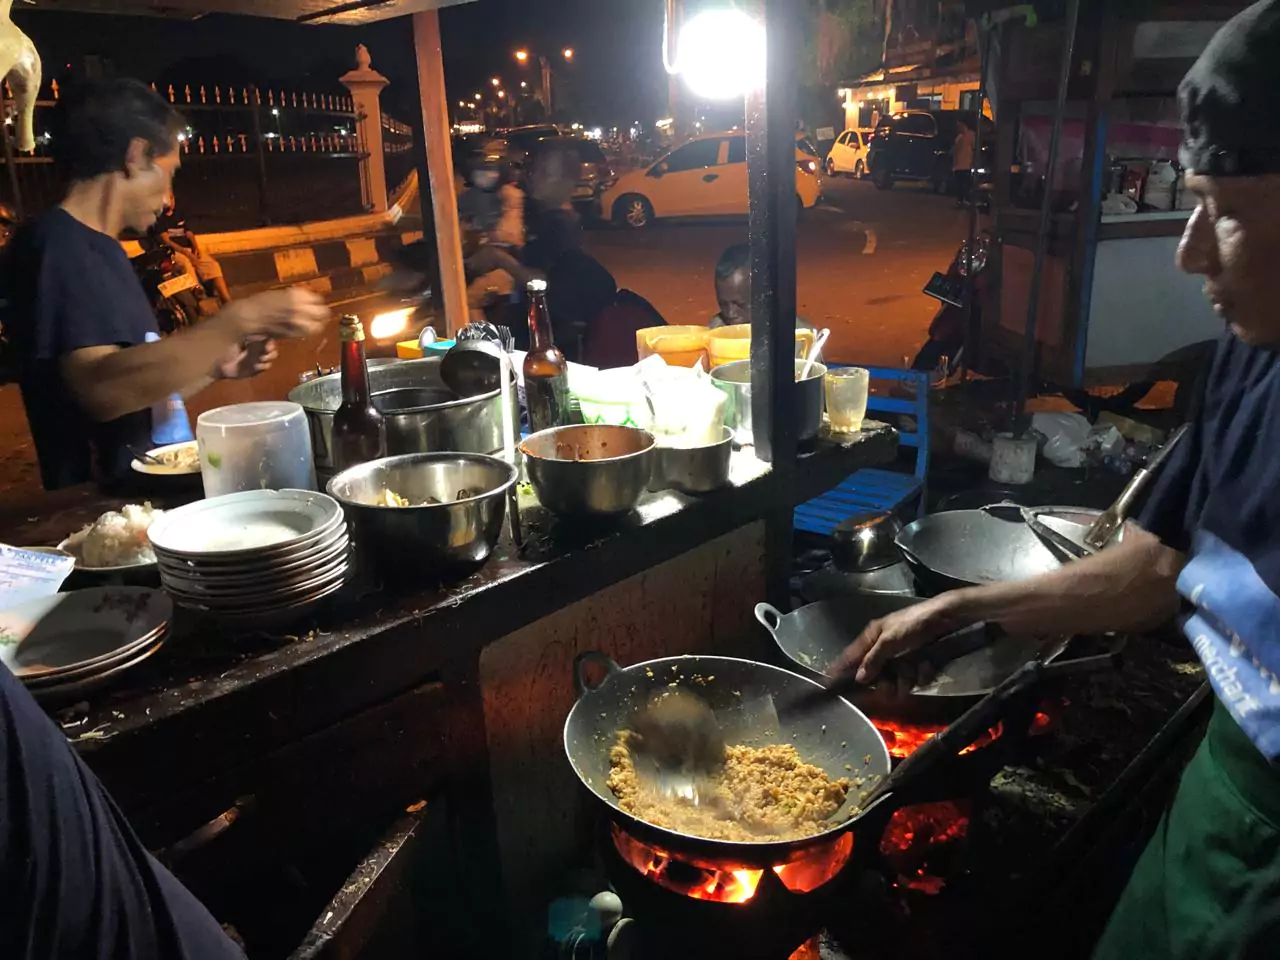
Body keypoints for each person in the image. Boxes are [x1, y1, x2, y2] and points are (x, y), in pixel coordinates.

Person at [830, 4, 1280, 957]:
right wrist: (957, 615)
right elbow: (1154, 567)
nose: (1189, 249)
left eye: (1227, 212)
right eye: (1190, 201)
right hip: (1219, 790)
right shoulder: (1253, 354)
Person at [4, 78, 327, 491]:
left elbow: (138, 388)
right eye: (170, 173)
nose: (169, 197)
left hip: (149, 501)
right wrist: (240, 318)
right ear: (136, 156)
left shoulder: (104, 250)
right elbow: (103, 388)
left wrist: (215, 366)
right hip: (108, 511)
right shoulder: (57, 246)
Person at [709, 243, 816, 332]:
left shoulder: (799, 337)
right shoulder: (715, 331)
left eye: (739, 304)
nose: (730, 314)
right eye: (723, 304)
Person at [151, 192, 232, 307]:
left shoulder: (179, 214)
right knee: (186, 263)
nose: (171, 201)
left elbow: (189, 233)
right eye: (168, 198)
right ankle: (199, 297)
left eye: (172, 198)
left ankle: (226, 299)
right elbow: (166, 241)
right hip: (174, 252)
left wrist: (196, 247)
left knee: (212, 264)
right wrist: (186, 253)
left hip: (189, 249)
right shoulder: (159, 219)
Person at [952, 118, 975, 207]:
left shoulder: (970, 135)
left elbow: (974, 148)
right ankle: (961, 200)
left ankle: (964, 200)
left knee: (965, 184)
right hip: (959, 165)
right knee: (960, 185)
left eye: (959, 125)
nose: (958, 128)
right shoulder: (959, 137)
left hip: (965, 165)